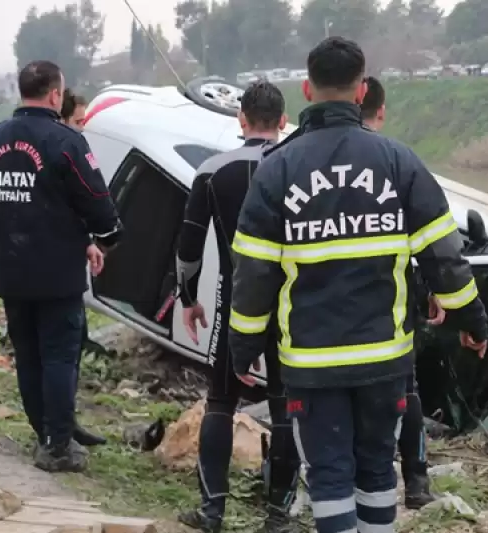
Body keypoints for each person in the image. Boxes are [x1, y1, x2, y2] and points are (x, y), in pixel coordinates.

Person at [227, 36, 488, 533]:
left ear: (307, 88)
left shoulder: (276, 169)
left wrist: (243, 348)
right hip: (383, 361)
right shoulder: (399, 162)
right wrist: (473, 321)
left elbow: (254, 272)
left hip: (310, 364)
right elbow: (444, 257)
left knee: (328, 480)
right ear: (362, 89)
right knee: (374, 474)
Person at [0, 60, 123, 472]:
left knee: (28, 357)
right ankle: (57, 445)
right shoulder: (67, 142)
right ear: (54, 95)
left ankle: (45, 434)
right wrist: (106, 238)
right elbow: (96, 200)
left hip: (12, 273)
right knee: (59, 357)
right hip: (58, 275)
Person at [175, 81, 300, 533]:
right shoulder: (298, 166)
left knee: (222, 402)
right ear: (283, 121)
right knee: (287, 406)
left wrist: (188, 298)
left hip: (235, 300)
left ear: (240, 119)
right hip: (292, 303)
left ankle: (212, 513)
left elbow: (188, 246)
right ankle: (279, 516)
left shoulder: (212, 170)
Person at [360, 74, 437, 510]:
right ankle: (417, 483)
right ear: (382, 111)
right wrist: (432, 291)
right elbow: (425, 238)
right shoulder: (397, 161)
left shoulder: (316, 161)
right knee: (406, 389)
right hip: (393, 299)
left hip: (332, 305)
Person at [56, 86, 107, 449]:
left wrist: (89, 240)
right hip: (53, 276)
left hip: (67, 266)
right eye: (78, 121)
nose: (82, 130)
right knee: (59, 353)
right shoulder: (59, 157)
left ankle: (64, 422)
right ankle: (56, 431)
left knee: (73, 348)